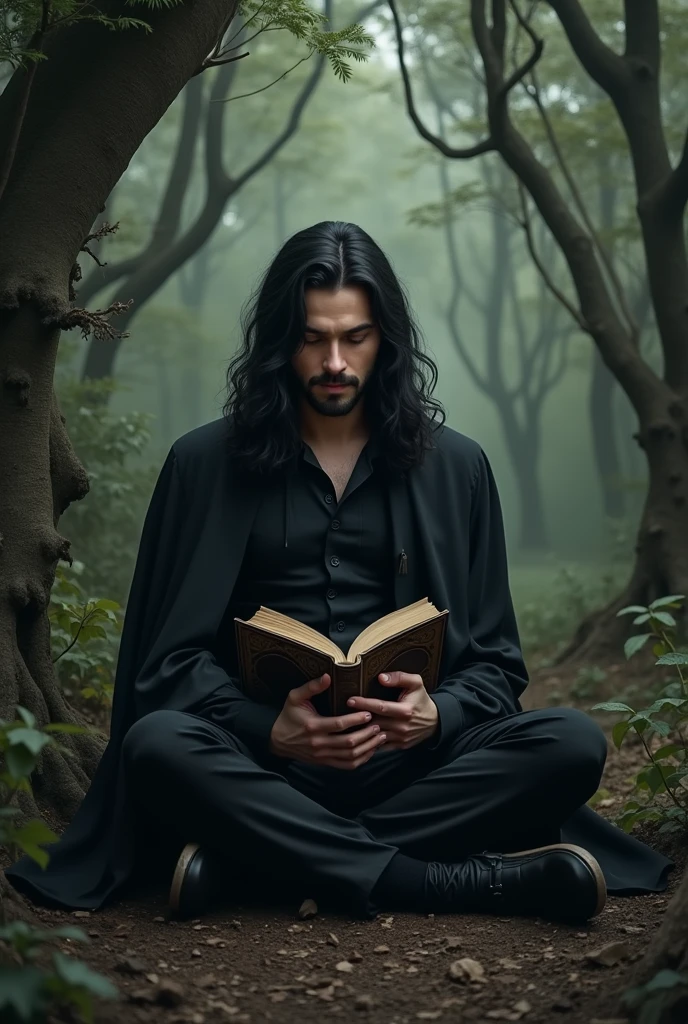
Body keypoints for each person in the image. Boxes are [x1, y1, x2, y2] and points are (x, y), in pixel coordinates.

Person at [6, 222, 673, 923]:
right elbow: (163, 666)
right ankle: (436, 882)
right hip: (261, 766)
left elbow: (497, 668)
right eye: (310, 338)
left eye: (354, 338)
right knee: (157, 746)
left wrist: (433, 715)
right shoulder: (203, 465)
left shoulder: (460, 469)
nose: (334, 361)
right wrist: (271, 730)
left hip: (414, 769)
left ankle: (250, 864)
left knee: (570, 743)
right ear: (276, 341)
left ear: (385, 338)